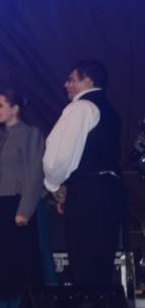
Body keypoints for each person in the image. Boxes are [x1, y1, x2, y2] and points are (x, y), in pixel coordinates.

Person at [43, 59, 123, 287]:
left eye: (71, 80)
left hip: (88, 191)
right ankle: (102, 307)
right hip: (111, 191)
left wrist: (54, 186)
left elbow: (59, 155)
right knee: (102, 263)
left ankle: (89, 307)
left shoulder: (81, 107)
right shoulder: (111, 111)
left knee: (84, 261)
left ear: (88, 81)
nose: (66, 85)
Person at [0, 89, 45, 308]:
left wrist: (24, 210)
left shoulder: (31, 134)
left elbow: (35, 173)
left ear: (15, 109)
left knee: (19, 266)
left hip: (16, 204)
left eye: (1, 105)